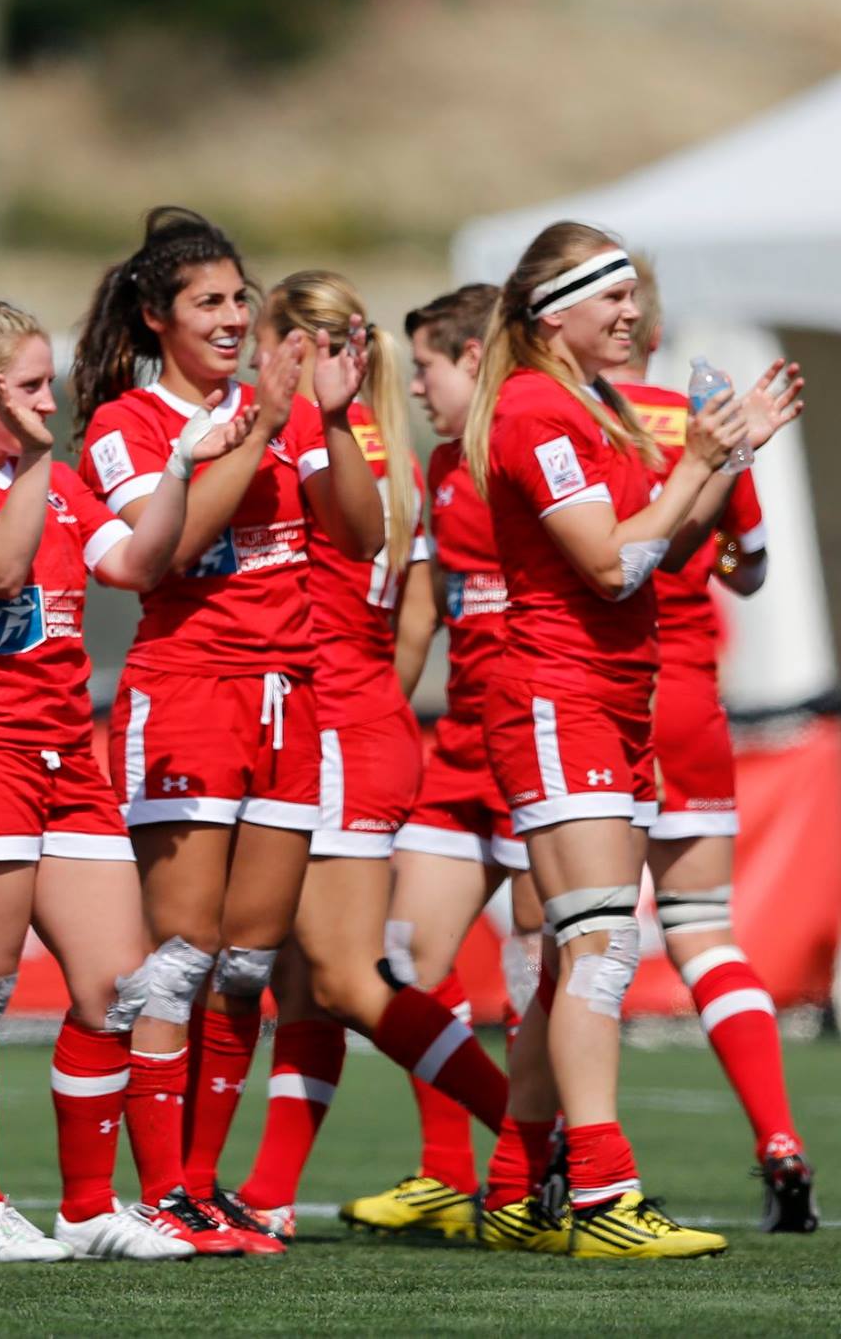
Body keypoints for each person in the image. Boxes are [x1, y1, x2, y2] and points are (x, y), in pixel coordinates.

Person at [0, 300, 253, 1261]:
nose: (54, 403)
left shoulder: (64, 482)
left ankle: (88, 1208)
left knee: (115, 987)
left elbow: (136, 560)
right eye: (33, 387)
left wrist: (179, 467)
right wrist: (38, 460)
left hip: (63, 757)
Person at [465, 222, 787, 1258]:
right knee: (601, 950)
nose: (630, 315)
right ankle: (602, 1197)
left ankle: (517, 1186)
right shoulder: (532, 408)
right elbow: (609, 565)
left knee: (575, 960)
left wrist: (715, 458)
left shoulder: (587, 403)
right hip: (557, 696)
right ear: (550, 314)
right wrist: (697, 459)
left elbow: (664, 543)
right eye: (609, 299)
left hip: (609, 694)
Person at [69, 206, 312, 1254]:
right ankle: (160, 1189)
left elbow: (350, 534)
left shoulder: (278, 407)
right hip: (189, 695)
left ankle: (206, 1186)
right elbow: (162, 555)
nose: (229, 317)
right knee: (179, 956)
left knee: (249, 963)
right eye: (206, 302)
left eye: (236, 299)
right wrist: (255, 433)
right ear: (154, 317)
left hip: (288, 696)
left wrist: (330, 421)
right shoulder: (126, 426)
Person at [220, 268, 448, 1240]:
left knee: (347, 976)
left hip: (334, 723)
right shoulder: (388, 446)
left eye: (258, 333)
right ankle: (267, 1193)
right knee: (301, 981)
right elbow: (419, 619)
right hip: (363, 716)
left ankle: (542, 1143)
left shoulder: (316, 441)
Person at [334, 282, 545, 1242]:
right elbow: (423, 610)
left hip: (542, 747)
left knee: (544, 969)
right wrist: (380, 704)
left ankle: (530, 1172)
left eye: (425, 365)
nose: (415, 384)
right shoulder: (446, 470)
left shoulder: (535, 449)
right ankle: (445, 1172)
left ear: (473, 360)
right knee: (410, 953)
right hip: (460, 749)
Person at [612, 258, 817, 1231]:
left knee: (570, 942)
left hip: (593, 697)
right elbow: (752, 567)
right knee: (701, 931)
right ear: (654, 336)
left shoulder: (554, 418)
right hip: (690, 698)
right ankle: (777, 1135)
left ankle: (564, 1168)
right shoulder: (703, 423)